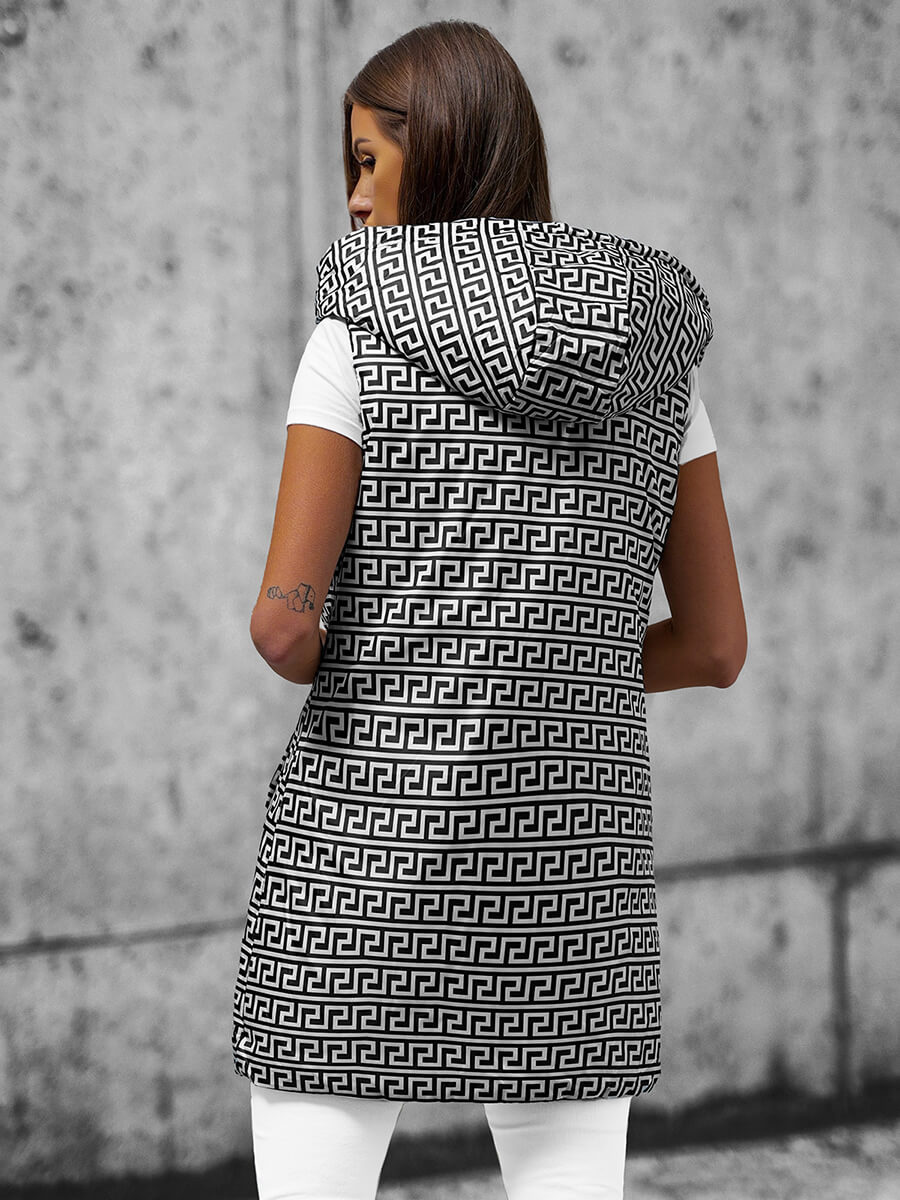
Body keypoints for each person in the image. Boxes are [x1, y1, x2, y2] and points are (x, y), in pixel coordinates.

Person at [232, 19, 747, 1200]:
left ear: (442, 146)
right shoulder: (659, 363)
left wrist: (406, 660)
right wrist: (550, 664)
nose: (355, 198)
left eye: (368, 160)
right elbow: (717, 646)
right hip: (572, 882)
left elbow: (282, 623)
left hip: (359, 867)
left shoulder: (355, 336)